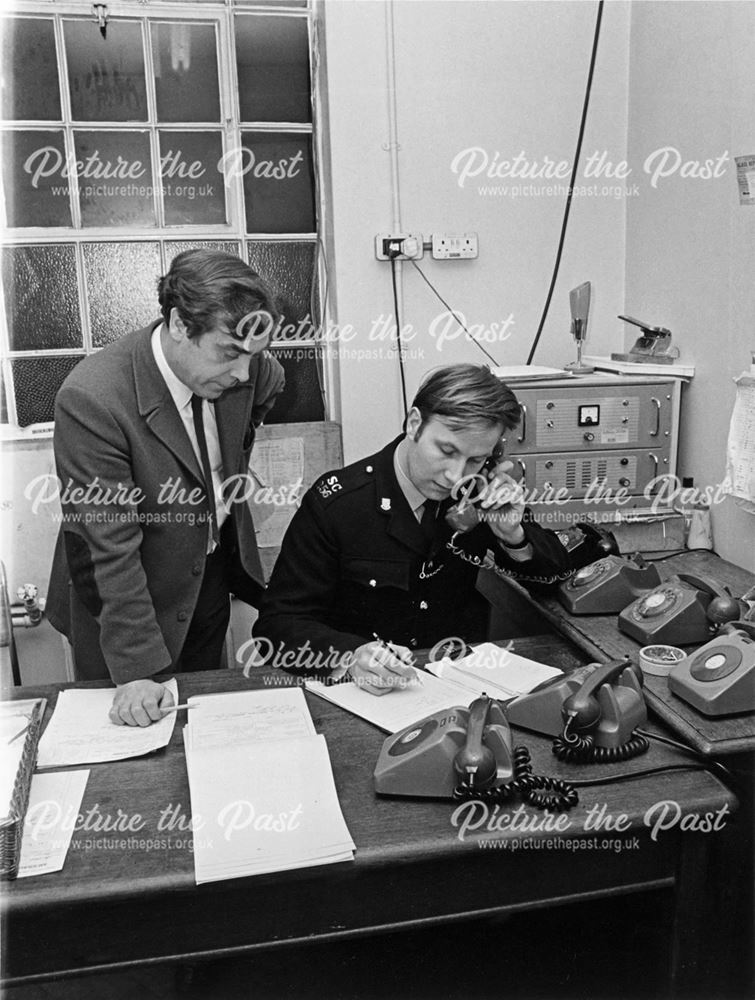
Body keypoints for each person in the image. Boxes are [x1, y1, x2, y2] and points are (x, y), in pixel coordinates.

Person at [46, 249, 285, 726]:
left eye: (251, 355)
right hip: (124, 602)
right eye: (230, 353)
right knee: (133, 748)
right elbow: (109, 546)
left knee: (203, 727)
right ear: (179, 324)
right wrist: (137, 670)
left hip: (206, 581)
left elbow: (263, 392)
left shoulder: (253, 372)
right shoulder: (92, 400)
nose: (243, 373)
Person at [253, 364, 571, 695]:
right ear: (414, 423)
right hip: (360, 695)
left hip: (453, 693)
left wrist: (513, 536)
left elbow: (556, 577)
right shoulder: (338, 504)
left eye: (476, 460)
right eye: (446, 451)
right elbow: (276, 625)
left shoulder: (479, 494)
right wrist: (349, 656)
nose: (455, 475)